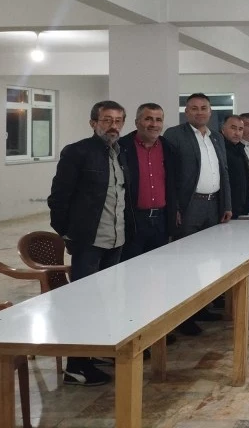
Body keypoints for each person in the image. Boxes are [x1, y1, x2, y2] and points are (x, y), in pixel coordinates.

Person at [48, 100, 131, 386]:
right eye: (107, 120)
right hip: (89, 241)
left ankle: (94, 350)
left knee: (105, 300)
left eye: (118, 120)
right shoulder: (77, 152)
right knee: (84, 302)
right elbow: (59, 197)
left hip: (115, 238)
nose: (113, 126)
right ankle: (76, 365)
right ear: (93, 123)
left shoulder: (119, 153)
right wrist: (67, 233)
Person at [164, 93, 232, 335]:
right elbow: (169, 175)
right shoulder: (174, 135)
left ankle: (203, 307)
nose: (199, 112)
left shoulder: (216, 137)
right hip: (189, 206)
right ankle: (184, 318)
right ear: (186, 112)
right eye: (194, 108)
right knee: (186, 262)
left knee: (208, 260)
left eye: (204, 108)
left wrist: (226, 204)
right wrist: (174, 208)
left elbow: (223, 171)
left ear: (210, 112)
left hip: (213, 205)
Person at [119, 103, 176, 261]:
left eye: (158, 120)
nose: (154, 124)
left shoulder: (169, 148)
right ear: (137, 122)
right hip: (132, 220)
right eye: (148, 119)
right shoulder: (121, 147)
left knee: (159, 267)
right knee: (130, 267)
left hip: (161, 220)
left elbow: (173, 186)